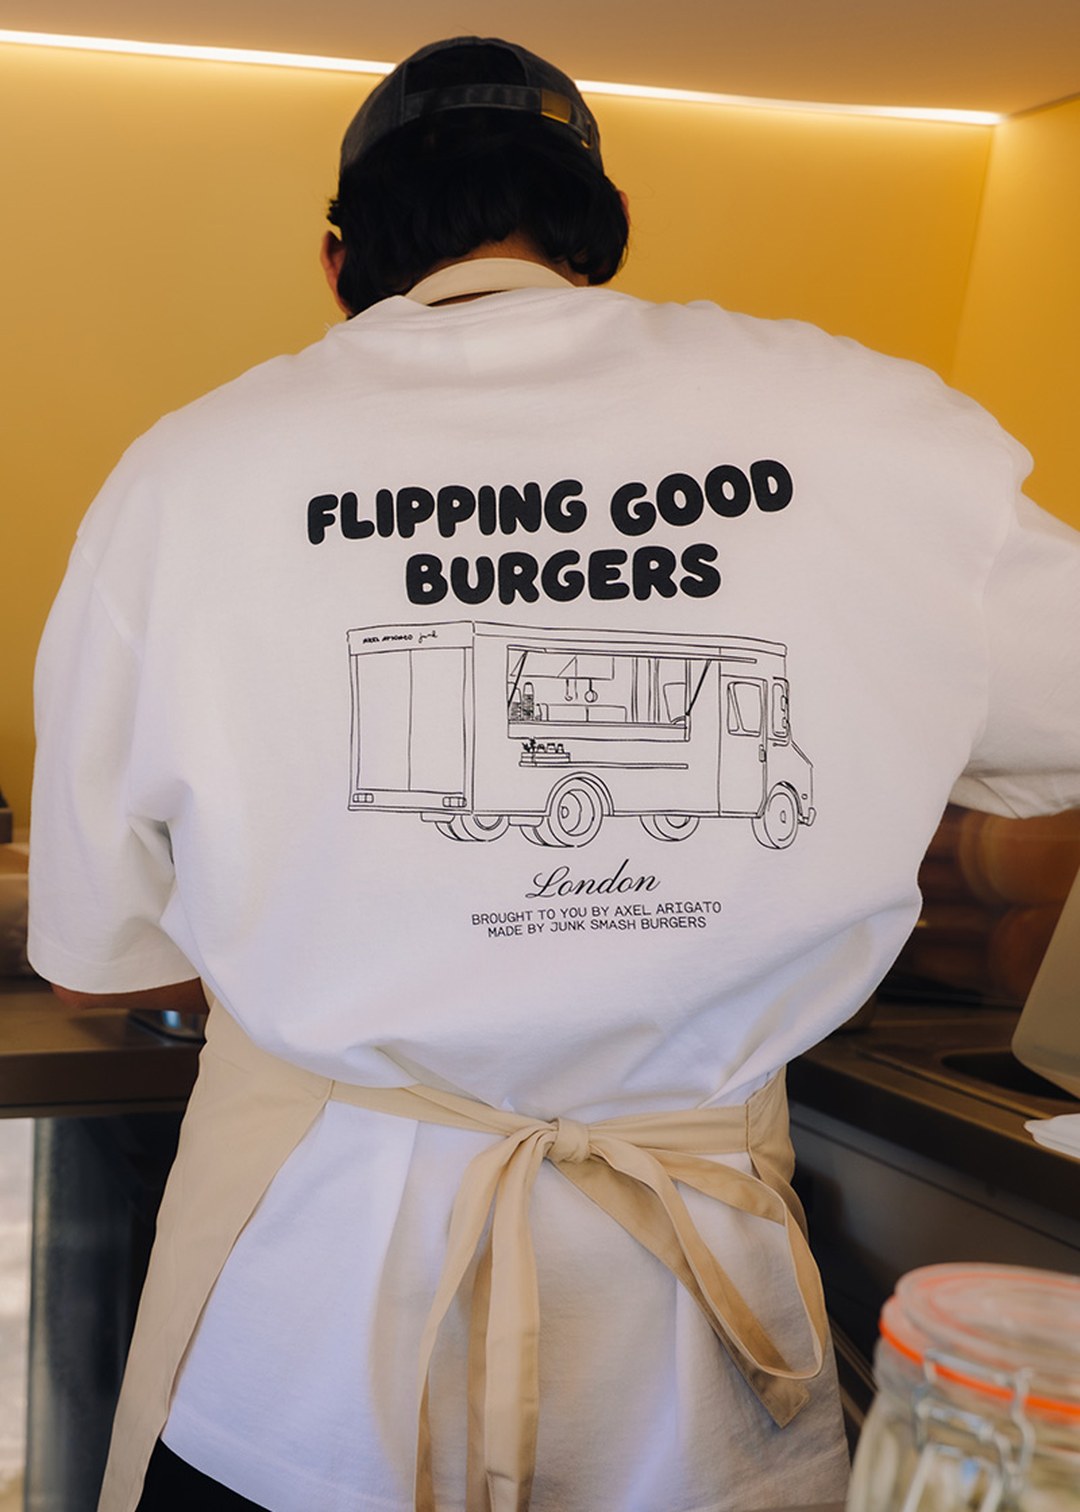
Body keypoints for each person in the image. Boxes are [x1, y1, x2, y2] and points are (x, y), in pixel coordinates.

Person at [28, 34, 1080, 1512]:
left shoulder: (186, 476)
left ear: (340, 263)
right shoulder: (874, 428)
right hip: (693, 1379)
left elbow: (92, 961)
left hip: (306, 1354)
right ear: (602, 232)